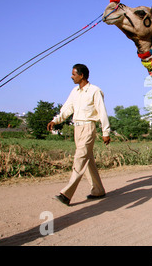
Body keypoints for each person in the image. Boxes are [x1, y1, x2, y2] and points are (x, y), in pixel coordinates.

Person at [47, 64, 111, 206]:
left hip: (88, 128)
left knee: (79, 159)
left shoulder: (95, 91)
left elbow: (102, 112)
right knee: (87, 161)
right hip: (77, 129)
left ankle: (66, 194)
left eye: (74, 74)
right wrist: (55, 120)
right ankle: (98, 190)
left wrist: (106, 132)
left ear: (81, 75)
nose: (71, 76)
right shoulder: (74, 92)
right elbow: (67, 108)